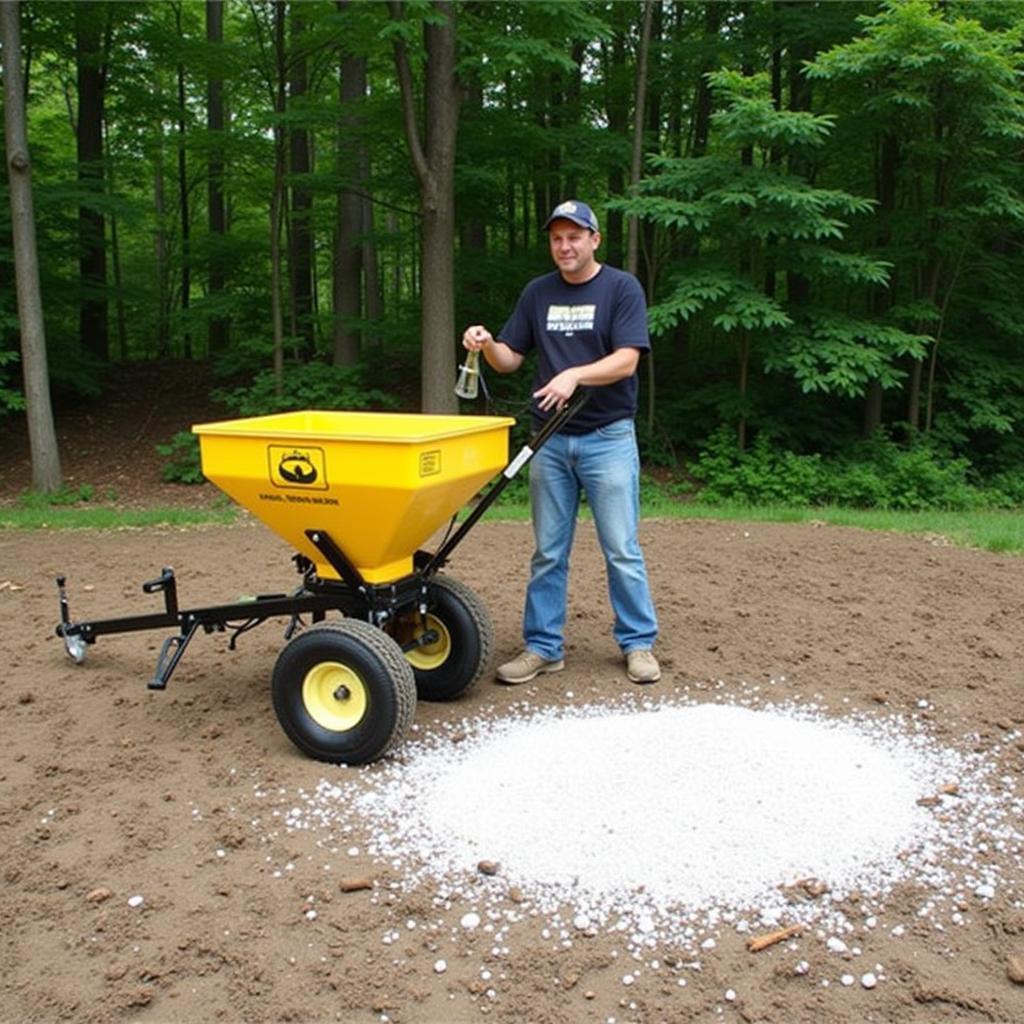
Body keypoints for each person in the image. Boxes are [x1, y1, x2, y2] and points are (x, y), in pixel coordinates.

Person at [462, 199, 660, 685]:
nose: (565, 246)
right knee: (549, 551)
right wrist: (486, 343)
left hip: (608, 437)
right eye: (557, 238)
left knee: (621, 548)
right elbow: (509, 359)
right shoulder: (537, 293)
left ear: (594, 240)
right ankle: (543, 647)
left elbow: (627, 360)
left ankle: (638, 644)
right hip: (549, 440)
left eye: (574, 236)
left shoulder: (621, 288)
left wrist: (573, 374)